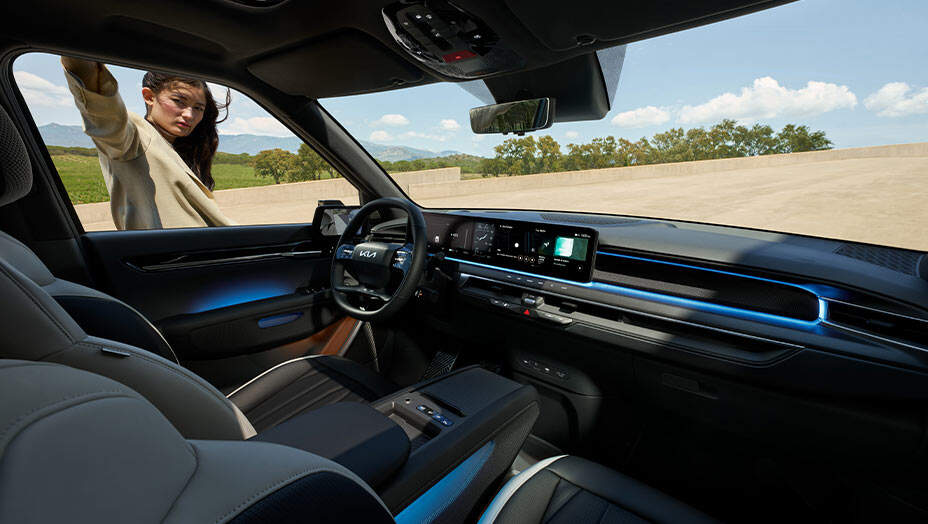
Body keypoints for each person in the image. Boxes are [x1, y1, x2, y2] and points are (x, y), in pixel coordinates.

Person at [62, 57, 235, 230]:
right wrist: (79, 55)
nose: (189, 115)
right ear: (149, 97)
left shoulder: (181, 149)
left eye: (198, 108)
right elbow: (104, 111)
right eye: (179, 101)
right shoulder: (134, 137)